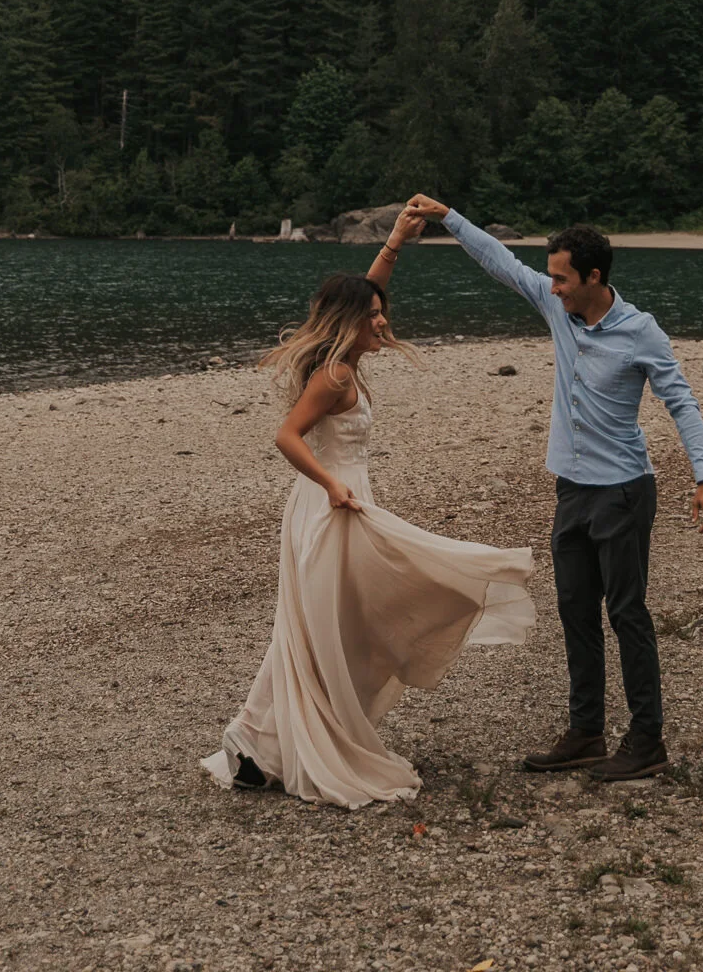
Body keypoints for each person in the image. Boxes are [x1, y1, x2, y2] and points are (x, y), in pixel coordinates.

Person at [201, 204, 535, 808]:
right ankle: (258, 740)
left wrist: (398, 243)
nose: (383, 323)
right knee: (320, 629)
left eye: (382, 314)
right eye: (374, 317)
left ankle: (254, 741)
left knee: (332, 627)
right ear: (351, 323)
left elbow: (368, 291)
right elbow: (286, 436)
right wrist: (329, 485)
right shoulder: (333, 376)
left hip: (344, 503)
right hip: (330, 508)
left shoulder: (347, 360)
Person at [406, 196, 703, 781]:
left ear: (593, 277)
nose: (551, 287)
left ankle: (647, 739)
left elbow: (681, 400)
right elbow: (501, 262)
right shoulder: (558, 311)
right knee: (576, 610)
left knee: (626, 612)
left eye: (561, 278)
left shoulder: (640, 331)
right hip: (572, 490)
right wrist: (449, 218)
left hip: (624, 491)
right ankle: (586, 731)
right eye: (550, 277)